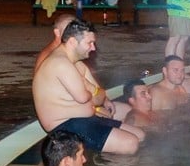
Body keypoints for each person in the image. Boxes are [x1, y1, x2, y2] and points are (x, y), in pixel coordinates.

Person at [32, 19, 144, 154]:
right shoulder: (61, 64)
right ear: (73, 42)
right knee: (130, 144)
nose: (93, 48)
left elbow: (99, 96)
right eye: (89, 43)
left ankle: (106, 157)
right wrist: (94, 95)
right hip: (66, 127)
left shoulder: (75, 63)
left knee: (140, 135)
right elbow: (90, 97)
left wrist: (93, 94)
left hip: (82, 120)